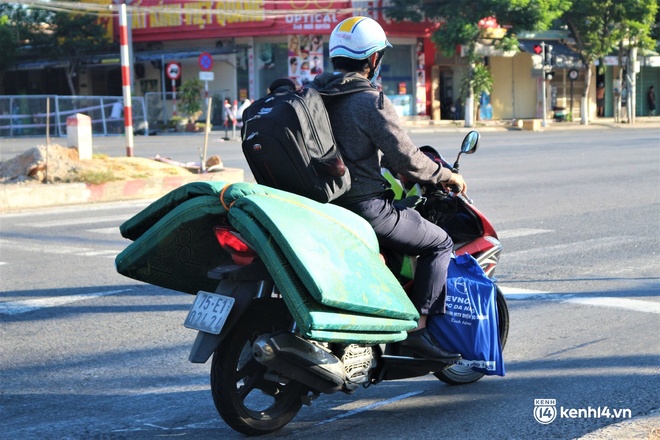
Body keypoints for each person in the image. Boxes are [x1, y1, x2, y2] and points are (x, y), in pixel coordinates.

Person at [311, 16, 465, 362]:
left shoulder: (313, 97)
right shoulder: (369, 101)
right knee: (439, 242)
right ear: (373, 60)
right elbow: (408, 161)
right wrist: (445, 175)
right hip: (364, 208)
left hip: (322, 208)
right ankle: (418, 330)